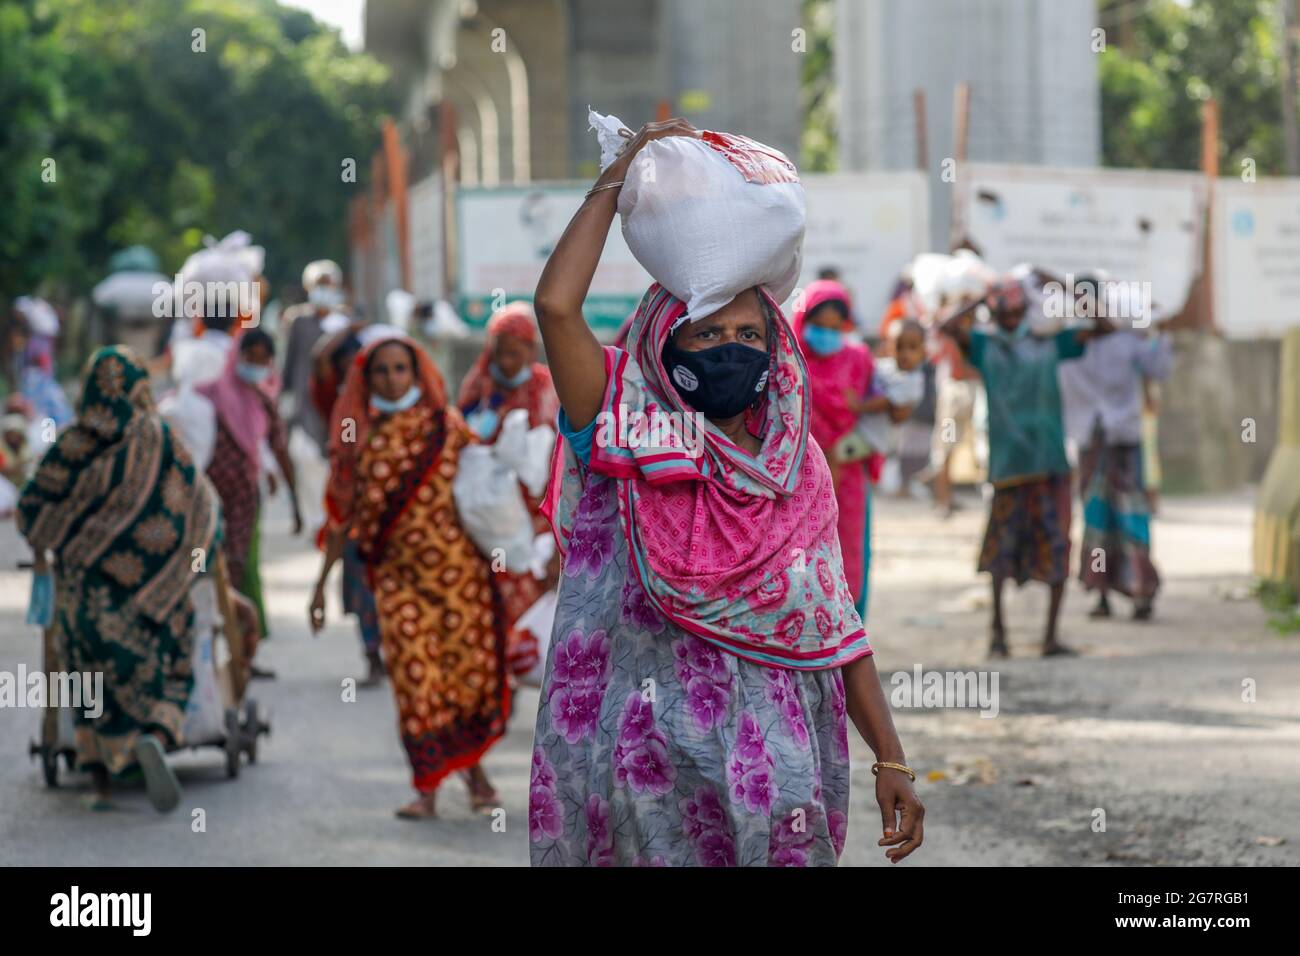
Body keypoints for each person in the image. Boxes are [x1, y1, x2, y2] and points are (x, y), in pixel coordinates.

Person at [529, 117, 923, 867]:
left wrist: (892, 761)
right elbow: (556, 307)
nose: (729, 350)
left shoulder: (795, 464)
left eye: (747, 335)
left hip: (782, 772)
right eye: (705, 336)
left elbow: (832, 621)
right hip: (648, 767)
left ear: (775, 350)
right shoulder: (618, 423)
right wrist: (625, 169)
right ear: (661, 345)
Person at [16, 346, 257, 811]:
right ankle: (156, 734)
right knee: (179, 650)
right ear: (140, 387)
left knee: (83, 677)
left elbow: (31, 512)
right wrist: (191, 562)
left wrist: (68, 537)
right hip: (156, 599)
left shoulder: (73, 445)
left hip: (87, 603)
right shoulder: (160, 440)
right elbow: (204, 509)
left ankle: (101, 778)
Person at [309, 334, 511, 819]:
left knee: (468, 677)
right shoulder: (359, 438)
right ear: (365, 378)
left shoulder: (447, 428)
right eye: (381, 371)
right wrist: (320, 587)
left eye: (401, 369)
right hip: (397, 582)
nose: (392, 379)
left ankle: (475, 774)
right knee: (415, 679)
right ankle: (427, 787)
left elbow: (488, 492)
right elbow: (342, 517)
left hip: (460, 579)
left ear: (417, 374)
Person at [942, 278, 1105, 658]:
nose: (1012, 318)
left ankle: (1050, 636)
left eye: (1017, 310)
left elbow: (1100, 325)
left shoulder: (1048, 341)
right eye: (1005, 312)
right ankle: (998, 634)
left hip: (1049, 463)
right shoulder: (984, 345)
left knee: (1057, 546)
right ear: (996, 314)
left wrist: (1060, 285)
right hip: (1008, 466)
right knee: (1001, 553)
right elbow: (949, 328)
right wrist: (982, 297)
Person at [1058, 282, 1172, 621]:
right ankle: (1103, 592)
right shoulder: (1067, 343)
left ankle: (1138, 591)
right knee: (1098, 519)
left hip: (1121, 440)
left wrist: (1157, 331)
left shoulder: (1124, 338)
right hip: (1091, 440)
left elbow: (1159, 369)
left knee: (1129, 516)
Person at [199, 329, 301, 672]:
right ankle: (206, 653)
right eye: (250, 355)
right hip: (207, 496)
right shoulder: (211, 395)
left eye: (263, 358)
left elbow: (279, 448)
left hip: (244, 498)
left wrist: (296, 502)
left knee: (237, 567)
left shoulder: (262, 400)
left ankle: (241, 655)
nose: (256, 364)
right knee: (205, 568)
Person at [792, 279, 892, 620]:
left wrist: (845, 452)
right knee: (802, 552)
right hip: (799, 479)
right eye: (819, 326)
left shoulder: (860, 359)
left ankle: (850, 631)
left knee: (850, 551)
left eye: (836, 328)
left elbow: (880, 414)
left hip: (848, 476)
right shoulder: (789, 361)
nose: (827, 334)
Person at [457, 301, 560, 632]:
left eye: (515, 354)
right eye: (500, 353)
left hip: (536, 512)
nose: (506, 362)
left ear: (531, 350)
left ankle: (523, 663)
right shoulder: (479, 386)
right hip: (487, 511)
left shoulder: (546, 388)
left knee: (528, 582)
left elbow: (561, 450)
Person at [308, 325, 384, 685]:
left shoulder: (390, 402)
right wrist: (350, 327)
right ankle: (373, 657)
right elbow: (319, 359)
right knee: (361, 587)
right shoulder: (341, 402)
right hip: (355, 507)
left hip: (392, 515)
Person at [281, 260, 347, 538]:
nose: (324, 289)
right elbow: (290, 361)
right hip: (304, 401)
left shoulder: (344, 322)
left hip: (334, 403)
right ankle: (316, 522)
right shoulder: (299, 322)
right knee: (306, 458)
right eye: (319, 283)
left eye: (328, 283)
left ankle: (332, 519)